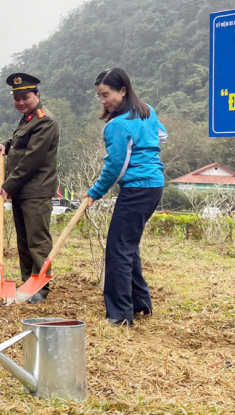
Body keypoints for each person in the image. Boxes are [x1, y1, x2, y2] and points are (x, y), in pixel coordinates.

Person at [83, 68, 167, 327]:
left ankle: (119, 315)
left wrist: (94, 193)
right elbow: (162, 136)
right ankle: (140, 304)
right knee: (127, 245)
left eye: (107, 94)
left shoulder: (117, 125)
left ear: (123, 90)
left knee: (117, 250)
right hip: (154, 186)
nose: (103, 101)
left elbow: (115, 166)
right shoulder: (146, 110)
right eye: (99, 96)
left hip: (137, 190)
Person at [0, 73, 59, 304]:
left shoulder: (45, 120)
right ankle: (27, 283)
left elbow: (32, 158)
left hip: (36, 191)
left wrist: (8, 185)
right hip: (23, 191)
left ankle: (41, 287)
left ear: (37, 95)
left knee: (37, 241)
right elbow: (22, 142)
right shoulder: (28, 119)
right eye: (17, 98)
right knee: (24, 241)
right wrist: (7, 143)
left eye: (26, 97)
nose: (21, 102)